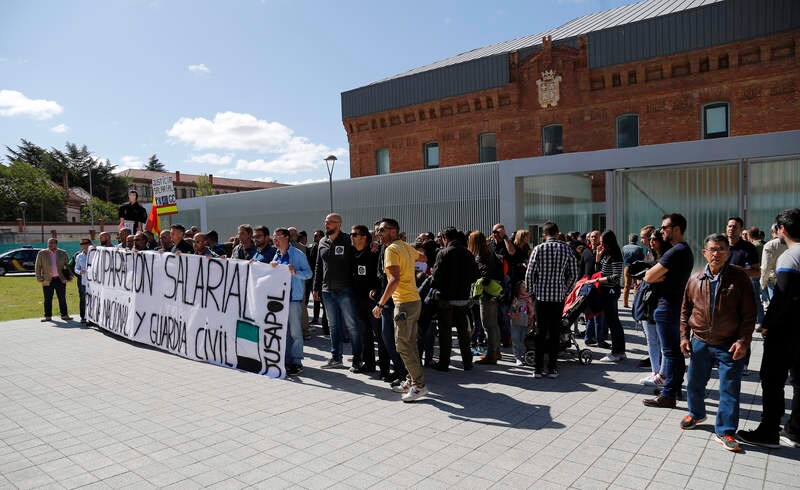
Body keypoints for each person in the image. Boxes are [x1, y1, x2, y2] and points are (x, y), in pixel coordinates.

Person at [678, 234, 756, 452]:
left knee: (729, 388)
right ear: (704, 253)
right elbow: (685, 311)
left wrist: (743, 341)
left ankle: (726, 431)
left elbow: (749, 314)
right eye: (712, 249)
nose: (716, 253)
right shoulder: (695, 279)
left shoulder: (739, 278)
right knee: (694, 382)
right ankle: (696, 413)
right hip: (700, 342)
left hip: (729, 344)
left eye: (722, 249)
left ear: (728, 252)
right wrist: (684, 336)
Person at [737, 208, 800, 449]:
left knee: (772, 380)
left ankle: (769, 431)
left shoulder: (790, 256)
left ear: (782, 229)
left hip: (786, 330)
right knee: (798, 380)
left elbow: (782, 296)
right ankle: (796, 430)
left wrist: (766, 325)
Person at [372, 218, 429, 402]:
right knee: (410, 343)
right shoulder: (404, 246)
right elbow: (424, 258)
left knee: (403, 345)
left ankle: (419, 386)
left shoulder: (391, 249)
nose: (379, 233)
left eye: (382, 230)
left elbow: (394, 279)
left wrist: (380, 304)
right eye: (378, 230)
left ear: (393, 231)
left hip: (404, 303)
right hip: (414, 301)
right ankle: (410, 381)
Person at [643, 213, 694, 408]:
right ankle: (673, 389)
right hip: (673, 305)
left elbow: (648, 276)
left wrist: (655, 275)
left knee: (670, 352)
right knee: (674, 352)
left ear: (676, 229)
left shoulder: (675, 252)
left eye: (664, 228)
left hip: (667, 306)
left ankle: (668, 394)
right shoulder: (682, 250)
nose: (661, 230)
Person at [525, 221, 579, 378]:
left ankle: (538, 368)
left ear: (544, 234)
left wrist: (531, 292)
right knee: (555, 332)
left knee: (540, 332)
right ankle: (552, 368)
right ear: (557, 233)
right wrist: (566, 291)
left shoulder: (538, 249)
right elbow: (574, 274)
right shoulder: (567, 249)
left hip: (541, 297)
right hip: (558, 297)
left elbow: (529, 273)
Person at [313, 213, 362, 370]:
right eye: (325, 222)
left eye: (330, 222)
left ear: (339, 224)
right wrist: (316, 287)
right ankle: (336, 358)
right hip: (327, 291)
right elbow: (318, 266)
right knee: (334, 326)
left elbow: (358, 258)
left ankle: (357, 359)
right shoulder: (322, 241)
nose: (326, 225)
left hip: (345, 290)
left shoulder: (348, 240)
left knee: (352, 325)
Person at [431, 227, 479, 371]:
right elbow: (475, 276)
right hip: (463, 298)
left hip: (446, 298)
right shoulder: (468, 253)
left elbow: (435, 279)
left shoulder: (443, 253)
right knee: (463, 332)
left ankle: (444, 363)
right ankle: (467, 362)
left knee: (445, 333)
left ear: (445, 238)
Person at [269, 228, 312, 376]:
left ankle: (296, 362)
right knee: (284, 331)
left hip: (293, 299)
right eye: (274, 237)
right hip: (280, 299)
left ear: (286, 238)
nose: (275, 239)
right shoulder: (276, 255)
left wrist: (295, 273)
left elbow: (308, 274)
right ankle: (286, 360)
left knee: (295, 332)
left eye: (277, 237)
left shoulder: (297, 255)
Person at [350, 224, 388, 376]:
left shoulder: (375, 252)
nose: (351, 237)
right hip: (357, 299)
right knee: (364, 334)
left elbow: (381, 275)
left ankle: (385, 369)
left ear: (364, 237)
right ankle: (369, 363)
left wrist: (377, 291)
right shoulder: (352, 252)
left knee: (379, 335)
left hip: (373, 300)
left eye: (354, 234)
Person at [638, 230, 671, 383]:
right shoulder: (649, 254)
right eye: (650, 239)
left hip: (661, 301)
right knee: (651, 339)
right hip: (648, 302)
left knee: (663, 340)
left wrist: (648, 277)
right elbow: (645, 276)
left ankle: (663, 374)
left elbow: (662, 277)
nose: (651, 242)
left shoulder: (667, 256)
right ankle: (655, 370)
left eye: (654, 239)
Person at [589, 230, 626, 362]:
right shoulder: (606, 253)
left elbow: (615, 277)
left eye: (603, 243)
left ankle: (617, 352)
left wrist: (597, 281)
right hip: (605, 291)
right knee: (613, 321)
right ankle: (620, 351)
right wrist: (598, 259)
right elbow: (599, 272)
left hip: (611, 291)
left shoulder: (615, 254)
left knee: (613, 322)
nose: (601, 245)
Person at [469, 231, 504, 365]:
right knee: (494, 324)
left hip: (486, 294)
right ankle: (497, 351)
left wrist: (478, 280)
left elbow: (484, 274)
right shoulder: (491, 253)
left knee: (487, 325)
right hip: (495, 291)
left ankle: (491, 355)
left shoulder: (480, 256)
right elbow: (500, 272)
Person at [726, 217, 762, 325]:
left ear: (741, 230)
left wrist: (739, 269)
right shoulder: (720, 245)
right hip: (720, 293)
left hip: (740, 294)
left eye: (735, 227)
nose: (731, 229)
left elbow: (757, 272)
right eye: (729, 226)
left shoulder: (748, 248)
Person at [34, 238, 72, 322]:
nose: (49, 245)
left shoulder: (63, 253)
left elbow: (67, 266)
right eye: (49, 243)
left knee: (62, 298)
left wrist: (69, 276)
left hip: (60, 279)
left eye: (51, 243)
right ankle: (48, 316)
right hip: (47, 279)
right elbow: (38, 266)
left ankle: (64, 315)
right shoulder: (42, 253)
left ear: (56, 244)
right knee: (47, 298)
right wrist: (38, 277)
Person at [759, 223, 787, 309]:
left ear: (772, 231)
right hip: (790, 277)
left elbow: (765, 266)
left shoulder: (769, 245)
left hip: (773, 278)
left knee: (776, 305)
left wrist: (762, 282)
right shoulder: (790, 243)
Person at [509, 281, 534, 366]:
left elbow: (531, 313)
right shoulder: (516, 299)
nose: (525, 288)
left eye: (526, 287)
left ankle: (523, 356)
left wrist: (531, 320)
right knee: (516, 340)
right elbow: (511, 310)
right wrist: (513, 312)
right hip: (516, 322)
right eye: (523, 287)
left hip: (525, 323)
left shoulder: (529, 299)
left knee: (523, 341)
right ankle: (518, 358)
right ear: (518, 289)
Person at [622, 233, 645, 308]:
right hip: (636, 268)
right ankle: (636, 303)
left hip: (627, 267)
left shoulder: (624, 247)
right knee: (636, 285)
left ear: (629, 239)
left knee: (626, 285)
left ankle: (625, 303)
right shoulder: (639, 248)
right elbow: (642, 258)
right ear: (636, 239)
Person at [74, 239, 91, 324]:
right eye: (81, 244)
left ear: (89, 244)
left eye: (85, 243)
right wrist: (79, 272)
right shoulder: (79, 256)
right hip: (83, 280)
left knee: (93, 298)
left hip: (94, 281)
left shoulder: (95, 254)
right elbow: (76, 268)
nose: (83, 245)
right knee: (83, 298)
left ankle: (92, 317)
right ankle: (83, 316)